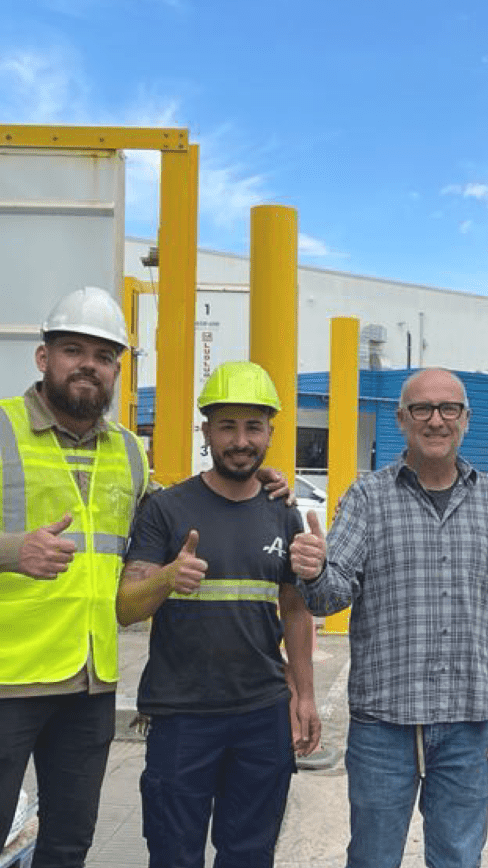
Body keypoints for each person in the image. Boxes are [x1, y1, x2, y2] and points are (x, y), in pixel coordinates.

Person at [290, 367, 488, 868]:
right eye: (422, 409)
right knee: (373, 858)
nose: (436, 420)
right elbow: (330, 596)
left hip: (468, 725)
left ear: (466, 419)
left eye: (449, 409)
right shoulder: (368, 498)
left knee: (458, 859)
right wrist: (313, 574)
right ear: (402, 419)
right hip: (384, 726)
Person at [117, 360, 319, 868]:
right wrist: (165, 578)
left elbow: (294, 609)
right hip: (182, 717)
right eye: (227, 425)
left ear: (270, 432)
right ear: (206, 430)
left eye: (253, 426)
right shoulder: (166, 510)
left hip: (261, 714)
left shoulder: (283, 510)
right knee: (174, 856)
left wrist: (305, 694)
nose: (241, 440)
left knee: (250, 854)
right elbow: (125, 607)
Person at [0, 285, 150, 866]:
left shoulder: (131, 453)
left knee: (68, 844)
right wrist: (12, 551)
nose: (89, 364)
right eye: (73, 350)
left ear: (117, 370)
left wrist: (255, 484)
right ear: (44, 358)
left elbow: (170, 520)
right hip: (9, 679)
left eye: (105, 355)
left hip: (90, 683)